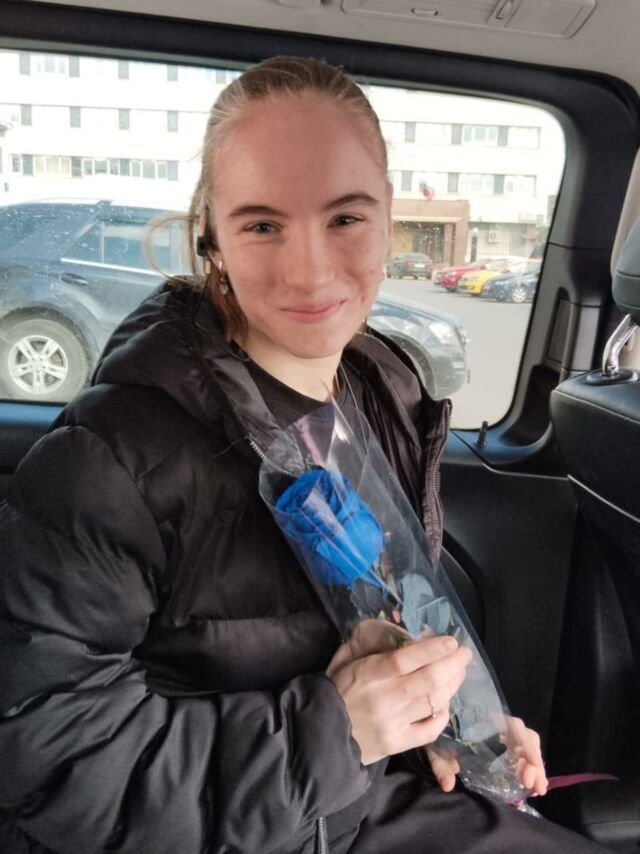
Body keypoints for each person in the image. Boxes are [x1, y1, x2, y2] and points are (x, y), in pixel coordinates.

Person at [0, 56, 607, 854]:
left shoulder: (384, 389)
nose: (310, 270)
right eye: (262, 225)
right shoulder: (110, 456)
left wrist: (456, 723)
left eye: (345, 218)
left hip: (364, 793)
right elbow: (48, 766)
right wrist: (338, 731)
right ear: (211, 236)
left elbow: (390, 602)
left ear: (389, 218)